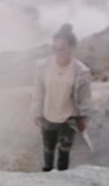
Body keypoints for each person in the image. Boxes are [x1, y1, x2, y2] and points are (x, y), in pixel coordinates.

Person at [31, 23, 92, 172]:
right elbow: (38, 91)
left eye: (62, 48)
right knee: (48, 150)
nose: (58, 52)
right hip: (48, 114)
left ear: (71, 48)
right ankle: (47, 181)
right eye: (55, 48)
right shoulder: (43, 66)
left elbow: (85, 98)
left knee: (64, 151)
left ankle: (62, 180)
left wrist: (82, 117)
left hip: (69, 118)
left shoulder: (81, 71)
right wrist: (36, 113)